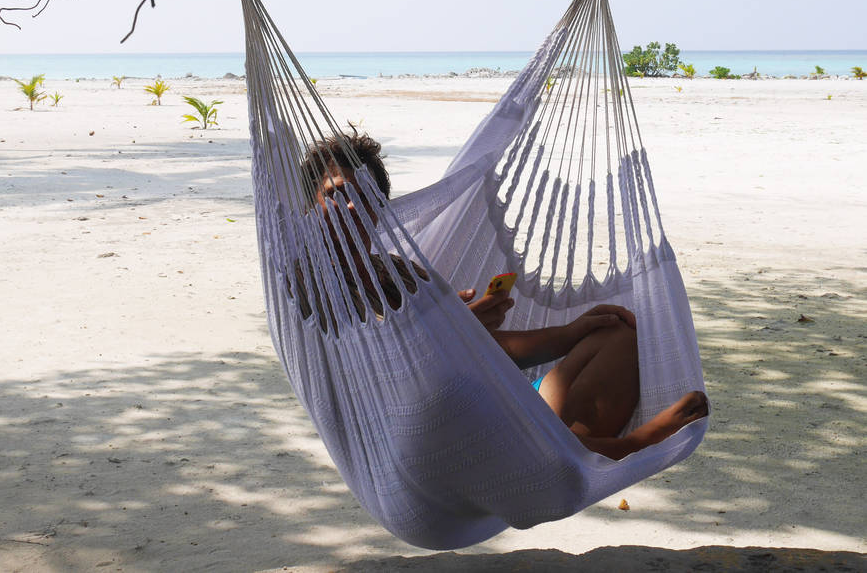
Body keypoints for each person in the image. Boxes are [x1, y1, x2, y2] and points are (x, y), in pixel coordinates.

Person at [299, 129, 708, 461]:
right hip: (423, 435)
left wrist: (572, 330)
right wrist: (453, 335)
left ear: (380, 210)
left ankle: (571, 451)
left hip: (494, 410)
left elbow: (489, 348)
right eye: (335, 193)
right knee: (476, 427)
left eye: (364, 196)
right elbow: (385, 370)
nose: (351, 206)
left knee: (616, 333)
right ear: (310, 205)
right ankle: (626, 447)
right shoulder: (308, 283)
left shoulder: (399, 273)